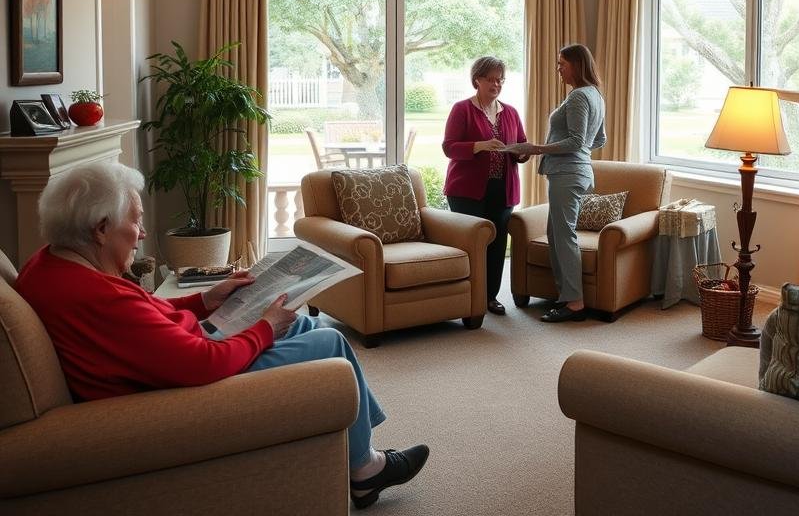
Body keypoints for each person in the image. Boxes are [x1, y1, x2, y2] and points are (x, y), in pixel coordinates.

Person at [15, 161, 427, 510]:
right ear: (101, 228)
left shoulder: (50, 264)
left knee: (302, 324)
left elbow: (141, 319)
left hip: (172, 357)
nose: (141, 233)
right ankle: (366, 470)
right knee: (330, 343)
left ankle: (362, 451)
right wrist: (264, 327)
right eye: (136, 220)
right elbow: (200, 363)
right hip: (181, 385)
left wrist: (206, 301)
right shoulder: (95, 294)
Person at [515, 44, 606, 323]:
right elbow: (598, 139)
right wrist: (580, 152)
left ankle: (575, 303)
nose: (558, 69)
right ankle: (567, 295)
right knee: (556, 234)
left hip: (568, 174)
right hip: (575, 172)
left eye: (561, 64)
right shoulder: (595, 95)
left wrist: (537, 148)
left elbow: (578, 141)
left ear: (577, 65)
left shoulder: (579, 97)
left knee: (564, 236)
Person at [442, 56, 529, 315]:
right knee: (472, 243)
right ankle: (468, 297)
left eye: (500, 79)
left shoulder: (510, 112)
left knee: (497, 242)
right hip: (467, 190)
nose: (496, 84)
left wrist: (523, 152)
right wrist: (479, 146)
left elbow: (521, 143)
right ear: (477, 80)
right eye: (491, 79)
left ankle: (490, 297)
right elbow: (449, 147)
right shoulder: (462, 109)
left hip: (503, 189)